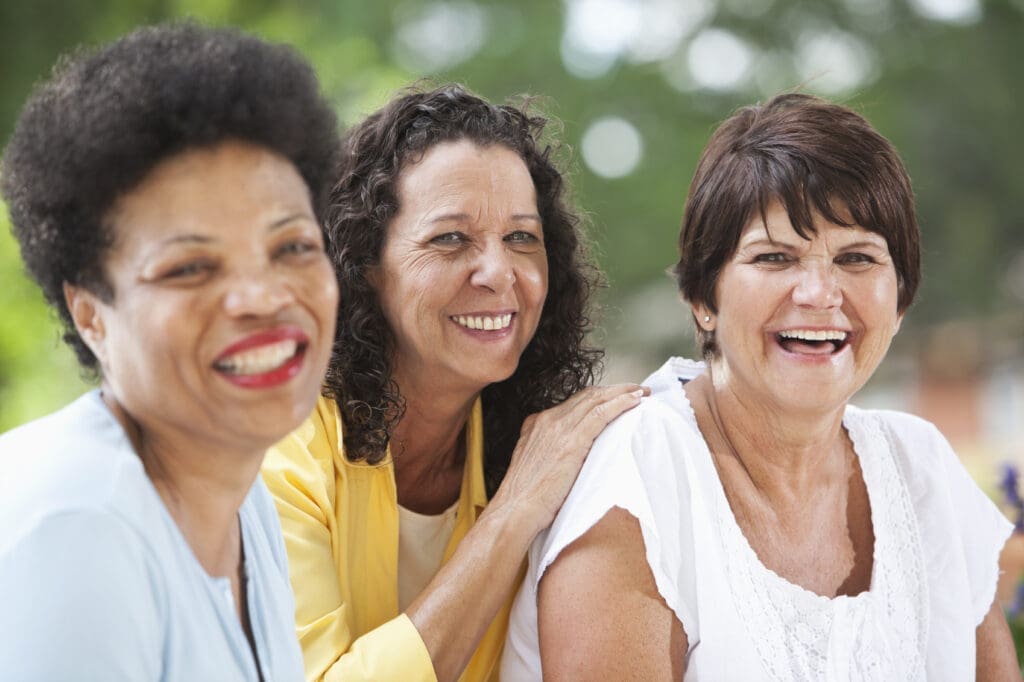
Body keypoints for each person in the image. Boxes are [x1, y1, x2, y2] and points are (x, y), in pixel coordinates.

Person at [501, 93, 1021, 680]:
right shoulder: (641, 472)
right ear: (702, 298)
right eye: (775, 257)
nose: (820, 294)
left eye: (856, 258)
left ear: (900, 300)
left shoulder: (920, 466)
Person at [261, 84, 645, 682]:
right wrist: (514, 511)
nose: (498, 273)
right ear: (363, 264)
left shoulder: (546, 449)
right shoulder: (276, 445)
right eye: (450, 239)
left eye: (522, 238)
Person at [0, 23, 340, 680]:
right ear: (90, 314)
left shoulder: (244, 500)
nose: (261, 298)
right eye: (189, 268)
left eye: (291, 247)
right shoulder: (76, 530)